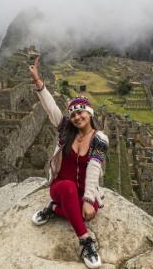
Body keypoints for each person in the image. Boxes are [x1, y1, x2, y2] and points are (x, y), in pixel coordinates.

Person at [28, 56, 109, 269]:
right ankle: (85, 241)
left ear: (89, 113)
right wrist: (38, 82)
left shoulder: (100, 138)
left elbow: (94, 168)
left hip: (84, 190)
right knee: (68, 188)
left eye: (80, 112)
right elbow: (51, 108)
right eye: (73, 114)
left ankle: (54, 209)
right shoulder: (66, 130)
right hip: (61, 186)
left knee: (87, 213)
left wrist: (90, 199)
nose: (76, 117)